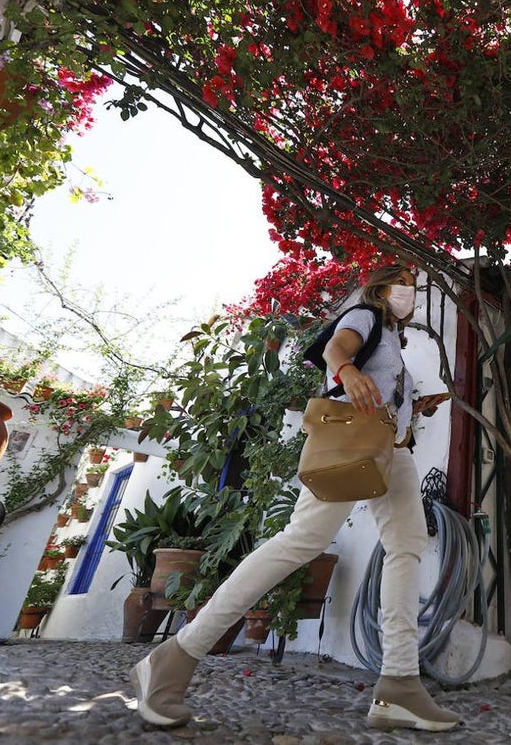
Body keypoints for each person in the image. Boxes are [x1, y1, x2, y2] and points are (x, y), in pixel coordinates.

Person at [129, 264, 460, 732]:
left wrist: (411, 403)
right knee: (302, 540)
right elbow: (334, 348)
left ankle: (399, 684)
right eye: (402, 280)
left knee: (406, 546)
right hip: (353, 439)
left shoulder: (393, 341)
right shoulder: (365, 315)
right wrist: (345, 370)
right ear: (382, 286)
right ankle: (176, 654)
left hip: (394, 450)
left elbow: (385, 389)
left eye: (414, 282)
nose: (411, 289)